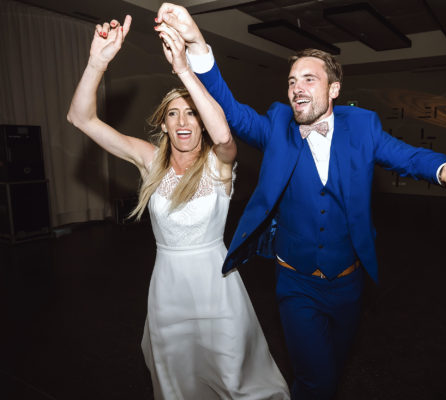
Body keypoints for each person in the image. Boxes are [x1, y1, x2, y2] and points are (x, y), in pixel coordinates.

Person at [156, 4, 446, 399]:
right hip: (295, 284)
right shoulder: (277, 126)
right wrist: (198, 44)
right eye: (292, 81)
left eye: (309, 79)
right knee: (315, 381)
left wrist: (444, 168)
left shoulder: (363, 127)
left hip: (348, 284)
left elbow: (407, 156)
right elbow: (232, 111)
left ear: (334, 90)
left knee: (334, 369)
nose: (297, 88)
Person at [66, 15, 289, 400]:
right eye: (173, 114)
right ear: (164, 125)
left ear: (202, 123)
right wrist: (97, 63)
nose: (183, 121)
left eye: (191, 113)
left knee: (233, 375)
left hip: (217, 289)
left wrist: (184, 69)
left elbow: (223, 133)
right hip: (168, 289)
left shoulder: (220, 164)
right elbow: (80, 118)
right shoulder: (149, 160)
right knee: (175, 378)